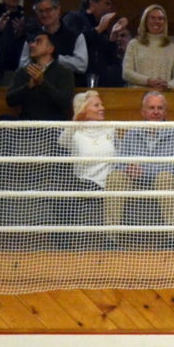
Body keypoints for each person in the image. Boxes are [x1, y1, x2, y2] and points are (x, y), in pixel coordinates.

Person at [57, 90, 126, 248]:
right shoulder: (74, 133)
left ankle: (111, 242)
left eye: (101, 104)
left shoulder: (111, 129)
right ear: (83, 109)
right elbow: (61, 142)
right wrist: (76, 122)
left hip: (110, 183)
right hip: (84, 183)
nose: (102, 108)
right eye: (96, 105)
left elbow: (121, 154)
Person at [113, 91, 174, 236]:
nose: (156, 112)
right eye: (151, 108)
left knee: (165, 177)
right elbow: (118, 163)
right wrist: (127, 168)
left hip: (164, 183)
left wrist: (144, 171)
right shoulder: (131, 134)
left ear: (165, 112)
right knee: (116, 177)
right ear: (143, 112)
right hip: (134, 182)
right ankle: (111, 236)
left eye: (160, 108)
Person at [62, 0, 128, 87]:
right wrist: (98, 29)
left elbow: (110, 59)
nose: (109, 8)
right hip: (76, 81)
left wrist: (113, 36)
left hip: (99, 82)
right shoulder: (73, 18)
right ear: (92, 3)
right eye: (106, 3)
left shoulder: (101, 28)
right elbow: (72, 43)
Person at [5, 32, 75, 121]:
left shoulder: (64, 72)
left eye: (38, 42)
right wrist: (28, 87)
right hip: (27, 125)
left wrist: (42, 83)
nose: (32, 45)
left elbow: (65, 102)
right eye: (32, 42)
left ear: (50, 48)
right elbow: (10, 100)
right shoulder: (23, 72)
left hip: (54, 126)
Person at [19, 0, 88, 79]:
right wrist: (39, 61)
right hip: (36, 88)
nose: (44, 15)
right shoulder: (31, 37)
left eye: (48, 10)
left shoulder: (75, 36)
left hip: (67, 87)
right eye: (40, 11)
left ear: (58, 9)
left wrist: (53, 58)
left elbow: (81, 65)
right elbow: (22, 66)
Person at [123, 5, 174, 91]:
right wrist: (148, 81)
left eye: (160, 18)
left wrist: (168, 85)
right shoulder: (134, 44)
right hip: (138, 96)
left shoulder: (172, 48)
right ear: (145, 21)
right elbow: (127, 73)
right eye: (153, 18)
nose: (157, 21)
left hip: (164, 97)